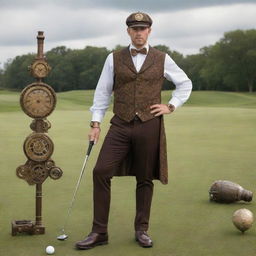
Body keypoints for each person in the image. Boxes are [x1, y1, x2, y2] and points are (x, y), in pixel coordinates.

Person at [75, 11, 192, 250]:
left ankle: (141, 230)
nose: (139, 32)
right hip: (120, 124)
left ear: (149, 31)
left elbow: (185, 83)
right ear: (128, 31)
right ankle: (99, 232)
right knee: (101, 171)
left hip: (149, 124)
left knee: (145, 177)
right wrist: (95, 124)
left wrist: (171, 106)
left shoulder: (162, 58)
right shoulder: (113, 58)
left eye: (143, 28)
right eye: (134, 28)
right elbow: (102, 93)